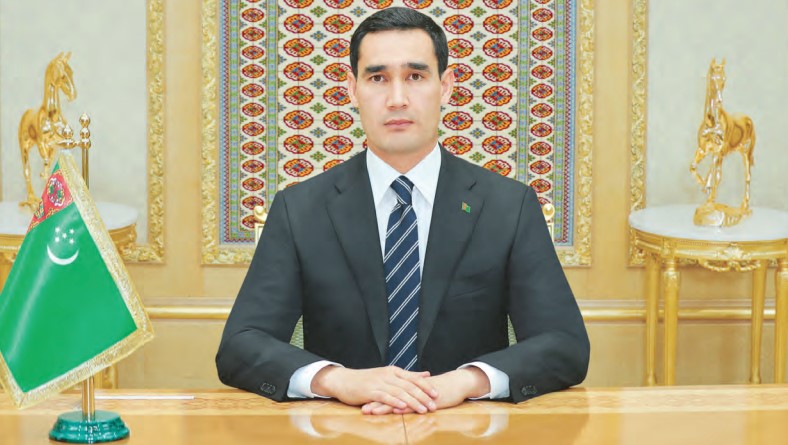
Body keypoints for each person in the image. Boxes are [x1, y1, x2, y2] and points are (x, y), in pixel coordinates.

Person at [216, 7, 589, 415]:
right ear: (353, 89)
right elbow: (240, 345)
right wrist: (338, 380)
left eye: (415, 76)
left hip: (465, 427)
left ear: (445, 86)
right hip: (344, 428)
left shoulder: (508, 206)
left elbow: (564, 344)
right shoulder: (300, 209)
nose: (397, 99)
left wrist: (466, 382)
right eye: (377, 78)